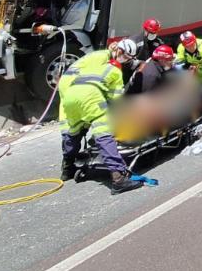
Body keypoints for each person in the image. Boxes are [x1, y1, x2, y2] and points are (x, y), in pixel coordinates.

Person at [59, 38, 143, 194]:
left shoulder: (96, 65)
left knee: (73, 130)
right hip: (88, 95)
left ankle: (67, 168)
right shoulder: (114, 71)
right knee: (103, 132)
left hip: (71, 94)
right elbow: (116, 101)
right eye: (125, 56)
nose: (124, 59)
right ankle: (118, 179)